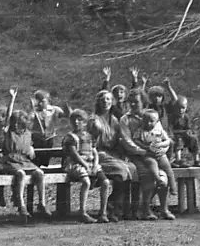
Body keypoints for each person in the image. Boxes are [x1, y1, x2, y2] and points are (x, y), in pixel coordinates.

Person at [87, 88, 139, 221]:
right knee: (121, 170)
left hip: (112, 154)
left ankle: (120, 208)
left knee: (132, 168)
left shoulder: (114, 120)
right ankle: (111, 207)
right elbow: (90, 142)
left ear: (112, 102)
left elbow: (117, 140)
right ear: (98, 103)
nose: (106, 102)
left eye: (108, 99)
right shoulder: (94, 119)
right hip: (98, 154)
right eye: (103, 100)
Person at [0, 108, 46, 223]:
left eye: (19, 122)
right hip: (11, 160)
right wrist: (12, 100)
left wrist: (31, 148)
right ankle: (22, 206)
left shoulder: (28, 134)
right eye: (15, 122)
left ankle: (42, 203)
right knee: (20, 174)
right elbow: (7, 118)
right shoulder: (8, 132)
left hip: (24, 161)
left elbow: (30, 147)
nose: (17, 124)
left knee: (39, 173)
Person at [62, 109, 109, 223]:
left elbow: (94, 152)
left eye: (80, 120)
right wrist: (86, 166)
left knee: (105, 182)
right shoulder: (71, 137)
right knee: (86, 182)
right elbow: (74, 154)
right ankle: (82, 212)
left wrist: (95, 164)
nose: (76, 122)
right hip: (75, 164)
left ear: (85, 122)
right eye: (74, 120)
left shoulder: (89, 136)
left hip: (90, 163)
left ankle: (103, 212)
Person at [131, 109, 177, 212]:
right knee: (152, 163)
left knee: (167, 167)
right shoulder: (140, 130)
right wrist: (145, 147)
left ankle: (173, 186)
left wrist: (160, 145)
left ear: (156, 122)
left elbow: (167, 141)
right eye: (146, 121)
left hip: (159, 153)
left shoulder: (159, 130)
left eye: (151, 121)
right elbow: (136, 140)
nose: (148, 123)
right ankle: (157, 178)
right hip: (148, 154)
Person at [164, 79, 199, 167]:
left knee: (193, 138)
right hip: (174, 136)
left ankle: (196, 160)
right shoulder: (172, 117)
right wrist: (182, 132)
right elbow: (170, 131)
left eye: (183, 108)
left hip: (184, 136)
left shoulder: (185, 117)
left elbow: (188, 128)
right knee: (178, 140)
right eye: (178, 108)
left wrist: (188, 132)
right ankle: (178, 160)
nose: (180, 110)